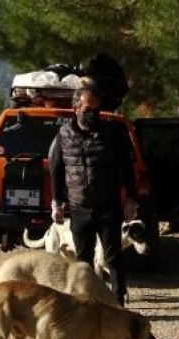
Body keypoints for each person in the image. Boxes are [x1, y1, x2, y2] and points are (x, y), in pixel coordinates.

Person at [49, 81, 138, 306]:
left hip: (108, 206)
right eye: (89, 109)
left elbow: (127, 167)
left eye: (97, 109)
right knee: (83, 261)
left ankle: (118, 304)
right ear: (76, 108)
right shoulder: (63, 135)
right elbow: (57, 169)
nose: (93, 114)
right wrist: (56, 201)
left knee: (113, 257)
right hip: (79, 208)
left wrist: (131, 200)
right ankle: (86, 303)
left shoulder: (113, 133)